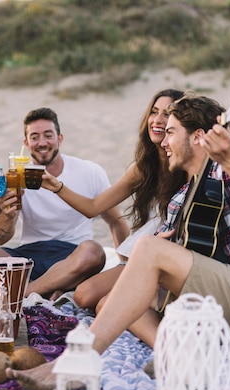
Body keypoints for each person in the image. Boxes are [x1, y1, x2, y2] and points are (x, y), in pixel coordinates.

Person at [7, 92, 230, 390]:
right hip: (218, 310)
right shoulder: (185, 192)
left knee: (147, 249)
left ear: (198, 137)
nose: (164, 141)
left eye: (170, 132)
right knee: (112, 304)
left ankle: (80, 359)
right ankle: (178, 357)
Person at [0, 107, 129, 300]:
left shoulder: (90, 172)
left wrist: (125, 265)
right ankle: (51, 286)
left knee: (94, 252)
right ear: (26, 143)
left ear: (60, 138)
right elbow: (0, 238)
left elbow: (116, 221)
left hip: (73, 255)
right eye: (34, 137)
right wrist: (8, 216)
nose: (42, 143)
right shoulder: (16, 176)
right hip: (29, 255)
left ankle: (21, 291)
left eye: (48, 135)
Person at [39, 89, 187, 311]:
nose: (156, 120)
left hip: (173, 256)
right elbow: (94, 207)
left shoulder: (187, 162)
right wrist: (57, 187)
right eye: (154, 112)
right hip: (146, 251)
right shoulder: (143, 167)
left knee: (87, 297)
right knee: (85, 296)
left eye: (166, 114)